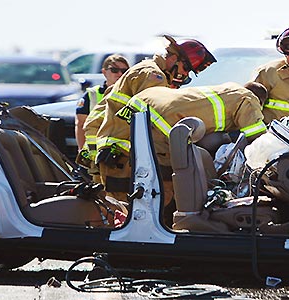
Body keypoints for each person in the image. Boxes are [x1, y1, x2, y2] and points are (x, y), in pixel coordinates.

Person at [115, 81, 268, 223]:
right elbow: (259, 138)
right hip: (170, 124)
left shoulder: (229, 89)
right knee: (166, 185)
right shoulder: (249, 98)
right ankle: (163, 226)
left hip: (147, 105)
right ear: (260, 102)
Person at [87, 35, 216, 201]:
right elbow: (157, 118)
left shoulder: (150, 71)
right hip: (124, 157)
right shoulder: (153, 76)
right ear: (174, 58)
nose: (185, 74)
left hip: (124, 155)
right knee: (131, 211)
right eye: (185, 68)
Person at [75, 54, 129, 182]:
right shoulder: (92, 95)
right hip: (94, 156)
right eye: (115, 70)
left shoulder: (133, 95)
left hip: (119, 156)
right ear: (104, 72)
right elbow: (80, 124)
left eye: (124, 71)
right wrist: (82, 150)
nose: (120, 74)